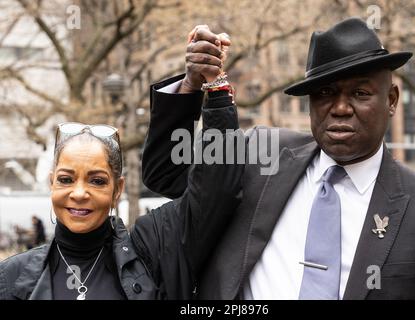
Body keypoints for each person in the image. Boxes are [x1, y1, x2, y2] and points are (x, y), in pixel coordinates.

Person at [141, 18, 415, 299]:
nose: (340, 108)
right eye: (326, 92)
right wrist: (192, 85)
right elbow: (167, 175)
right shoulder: (260, 155)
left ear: (392, 100)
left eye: (360, 94)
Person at [0, 75, 243, 299]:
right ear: (51, 182)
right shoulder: (12, 277)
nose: (79, 193)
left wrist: (214, 88)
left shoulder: (152, 250)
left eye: (97, 181)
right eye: (66, 179)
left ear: (118, 190)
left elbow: (215, 193)